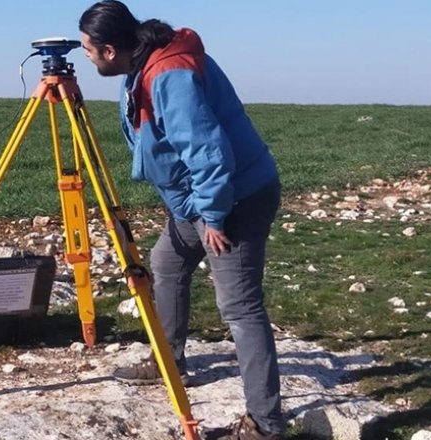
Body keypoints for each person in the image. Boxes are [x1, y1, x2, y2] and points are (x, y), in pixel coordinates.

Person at [78, 1, 285, 438]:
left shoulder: (169, 74)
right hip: (200, 199)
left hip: (234, 198)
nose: (86, 56)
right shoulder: (143, 63)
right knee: (168, 263)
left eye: (88, 49)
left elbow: (208, 153)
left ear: (110, 50)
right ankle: (168, 361)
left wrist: (212, 215)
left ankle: (265, 426)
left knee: (240, 307)